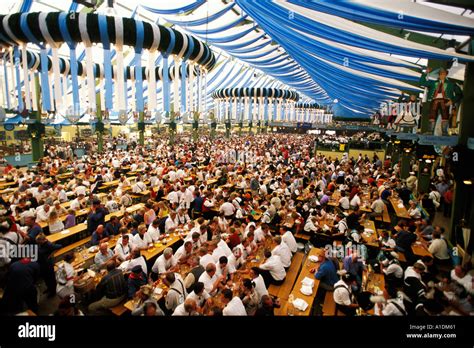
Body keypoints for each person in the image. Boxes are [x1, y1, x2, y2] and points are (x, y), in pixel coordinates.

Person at [419, 67, 463, 135]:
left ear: (446, 75)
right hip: (434, 100)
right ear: (438, 75)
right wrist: (425, 73)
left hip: (445, 101)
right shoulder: (433, 83)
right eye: (440, 74)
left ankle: (444, 132)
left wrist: (452, 101)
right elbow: (422, 82)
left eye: (443, 74)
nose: (442, 75)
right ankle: (430, 131)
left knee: (445, 116)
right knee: (432, 116)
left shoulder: (451, 84)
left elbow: (459, 94)